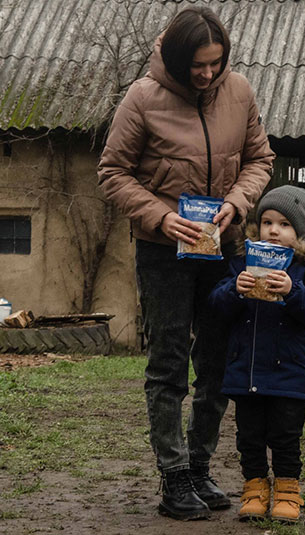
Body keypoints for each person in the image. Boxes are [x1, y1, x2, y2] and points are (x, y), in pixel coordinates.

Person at [97, 7, 275, 521]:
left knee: (217, 363)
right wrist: (159, 216)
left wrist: (237, 203)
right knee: (170, 364)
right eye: (198, 65)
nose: (208, 74)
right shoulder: (142, 98)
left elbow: (260, 158)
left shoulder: (239, 91)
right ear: (176, 59)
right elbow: (112, 172)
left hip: (223, 247)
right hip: (163, 253)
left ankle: (199, 467)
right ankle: (173, 476)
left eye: (216, 63)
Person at [208, 185, 305, 522]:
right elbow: (216, 305)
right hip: (247, 369)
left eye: (284, 224)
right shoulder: (242, 262)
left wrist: (293, 291)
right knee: (249, 436)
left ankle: (287, 491)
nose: (274, 230)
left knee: (285, 436)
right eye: (267, 222)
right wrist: (235, 290)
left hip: (289, 373)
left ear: (299, 233)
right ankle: (254, 489)